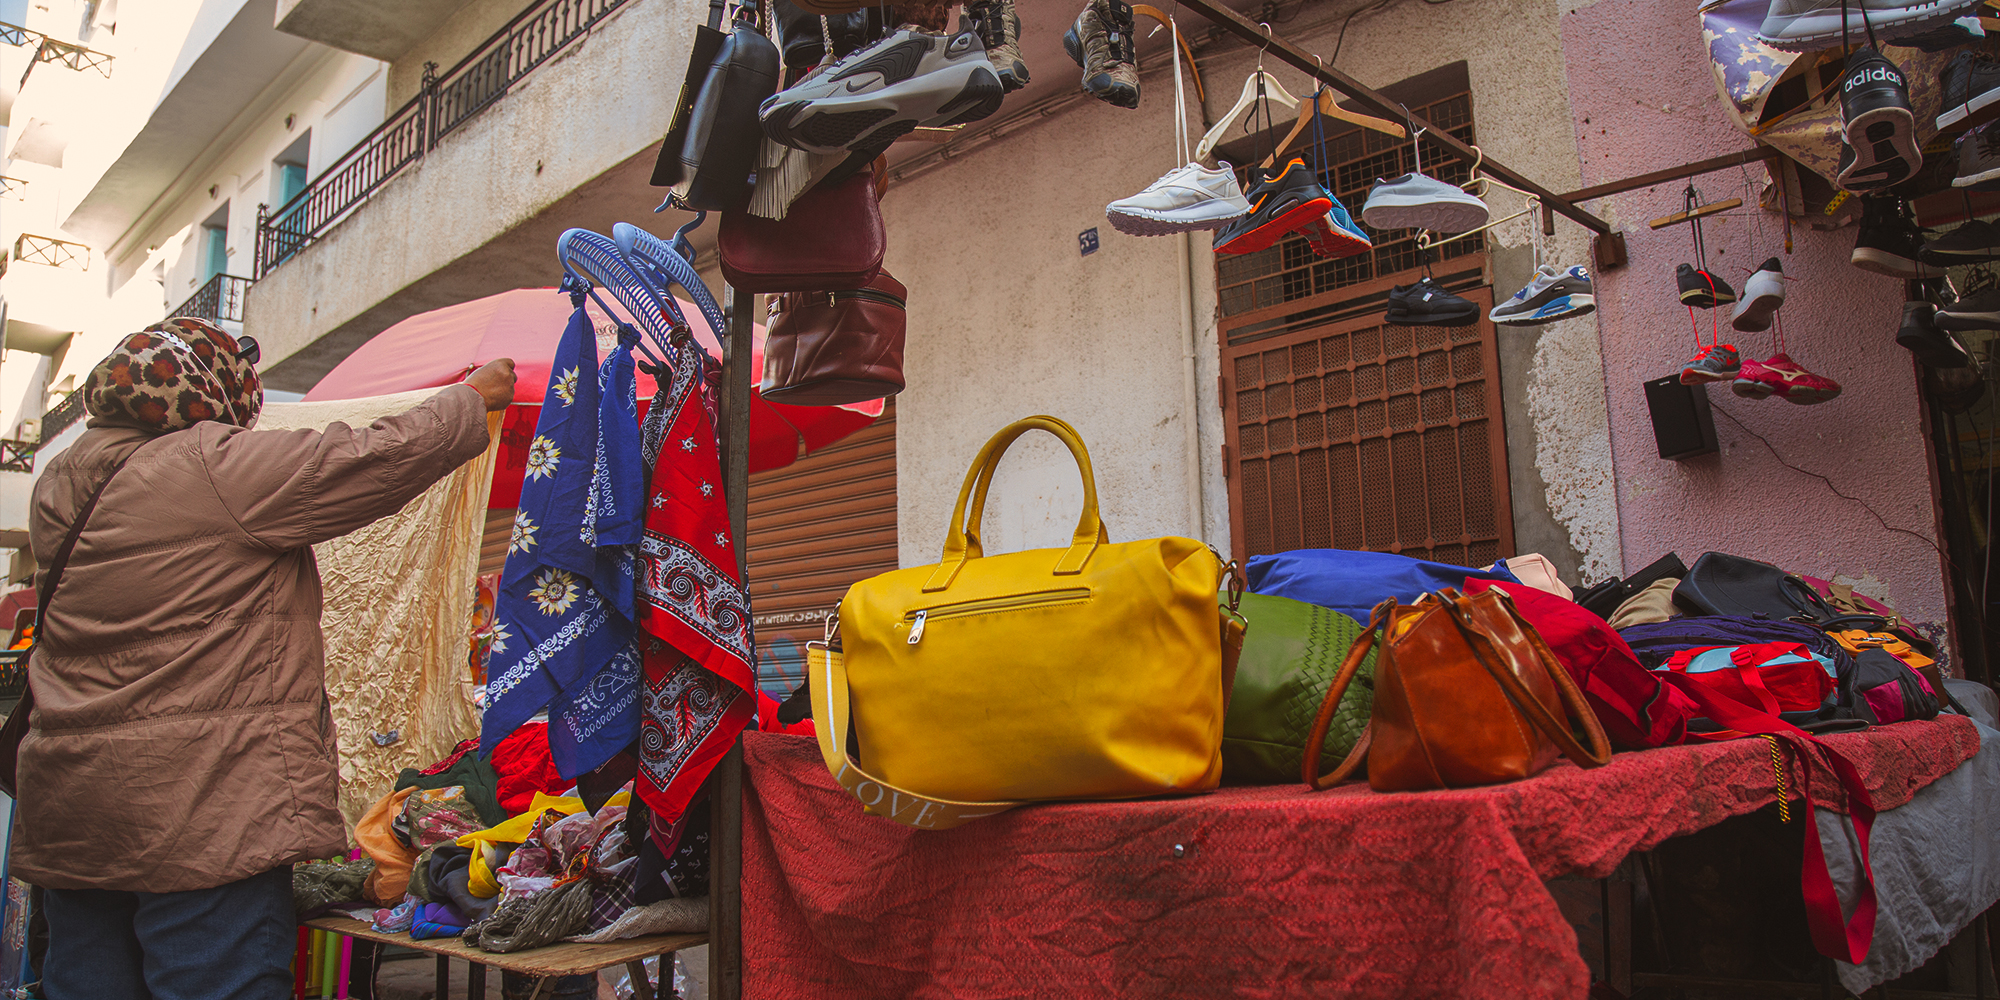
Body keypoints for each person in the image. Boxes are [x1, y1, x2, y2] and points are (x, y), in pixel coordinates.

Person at [12, 317, 516, 1000]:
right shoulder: (206, 466)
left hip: (76, 813)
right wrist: (471, 400)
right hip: (199, 812)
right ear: (210, 389)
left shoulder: (59, 478)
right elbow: (361, 458)